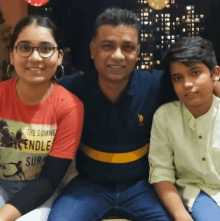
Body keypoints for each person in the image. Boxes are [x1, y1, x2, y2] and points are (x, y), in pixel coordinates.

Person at [48, 8, 175, 221]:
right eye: (108, 46)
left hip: (142, 187)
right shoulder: (70, 89)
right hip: (88, 186)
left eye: (127, 47)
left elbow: (200, 84)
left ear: (137, 53)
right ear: (93, 50)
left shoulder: (157, 85)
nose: (117, 55)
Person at [0, 15, 84, 221]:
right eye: (25, 47)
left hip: (45, 191)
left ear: (59, 56)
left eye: (45, 48)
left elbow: (50, 179)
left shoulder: (70, 106)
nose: (35, 58)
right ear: (12, 55)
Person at [148, 36, 220, 221]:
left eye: (195, 73)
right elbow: (161, 171)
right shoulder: (165, 116)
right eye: (178, 78)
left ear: (215, 74)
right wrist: (181, 215)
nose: (187, 84)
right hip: (196, 193)